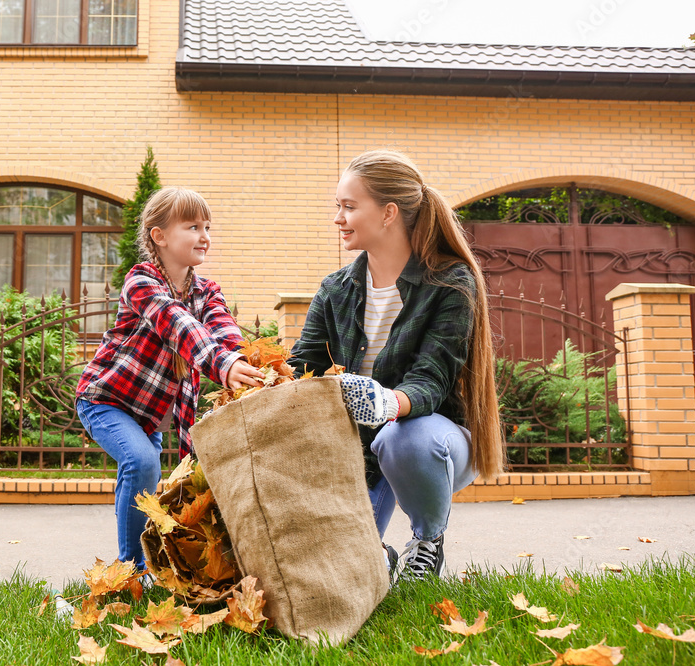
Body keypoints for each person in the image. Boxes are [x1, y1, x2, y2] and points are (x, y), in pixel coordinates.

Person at [287, 149, 503, 579]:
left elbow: (432, 377)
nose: (338, 218)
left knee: (404, 439)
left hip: (430, 441)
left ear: (388, 213)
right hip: (357, 453)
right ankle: (377, 556)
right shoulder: (335, 290)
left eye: (349, 207)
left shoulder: (450, 282)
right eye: (338, 207)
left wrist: (387, 404)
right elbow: (301, 370)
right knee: (336, 570)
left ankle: (426, 542)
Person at [75, 187, 264, 571]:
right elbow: (176, 323)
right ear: (159, 236)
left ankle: (153, 564)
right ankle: (132, 570)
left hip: (153, 413)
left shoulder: (207, 291)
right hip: (105, 400)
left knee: (150, 475)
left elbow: (224, 331)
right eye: (192, 226)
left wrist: (240, 362)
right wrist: (219, 363)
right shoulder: (140, 281)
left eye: (207, 226)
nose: (204, 235)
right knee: (143, 463)